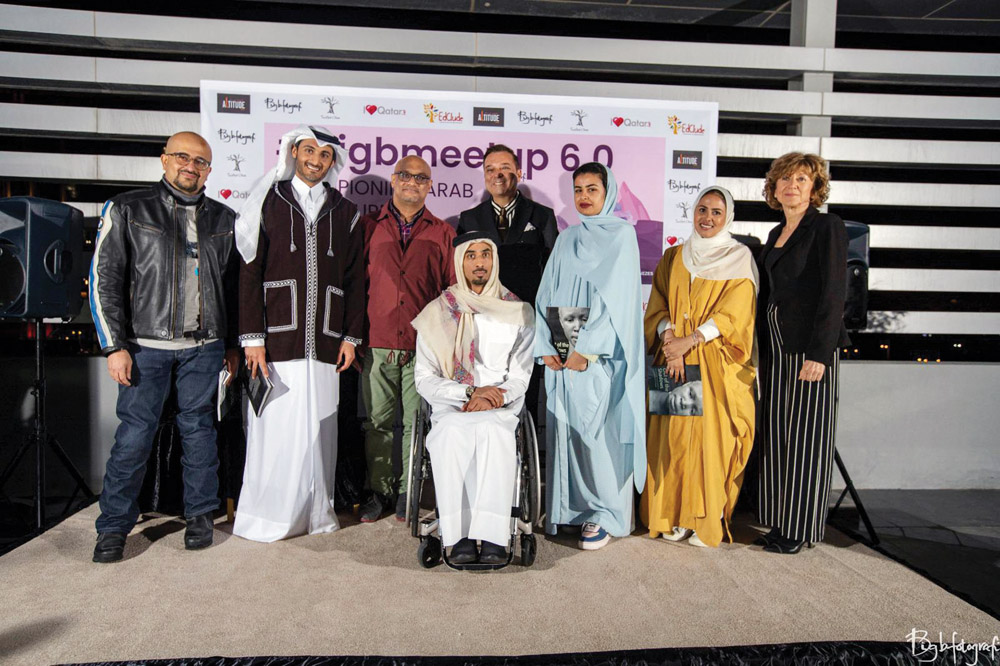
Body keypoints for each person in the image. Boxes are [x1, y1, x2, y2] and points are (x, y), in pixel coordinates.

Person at [89, 131, 240, 562]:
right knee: (134, 437)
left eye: (201, 161)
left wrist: (231, 344)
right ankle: (113, 527)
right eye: (182, 157)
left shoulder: (225, 218)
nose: (191, 166)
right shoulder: (128, 208)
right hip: (144, 347)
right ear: (164, 159)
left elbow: (234, 289)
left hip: (205, 348)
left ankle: (200, 516)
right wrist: (114, 346)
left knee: (200, 433)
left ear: (209, 170)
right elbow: (104, 279)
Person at [233, 125, 364, 542]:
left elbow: (355, 278)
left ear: (332, 162)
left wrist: (351, 337)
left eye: (325, 155)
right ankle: (269, 516)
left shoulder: (346, 211)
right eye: (309, 151)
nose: (316, 160)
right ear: (293, 152)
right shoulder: (267, 200)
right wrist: (252, 338)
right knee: (276, 430)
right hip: (276, 339)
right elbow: (249, 271)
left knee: (320, 431)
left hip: (327, 340)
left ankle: (315, 514)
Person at [534, 162, 645, 550]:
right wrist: (545, 344)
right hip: (562, 346)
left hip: (597, 354)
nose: (583, 196)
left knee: (598, 433)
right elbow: (545, 292)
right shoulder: (568, 237)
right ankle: (571, 509)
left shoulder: (621, 236)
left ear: (607, 192)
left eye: (592, 189)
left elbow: (618, 300)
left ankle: (604, 514)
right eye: (578, 189)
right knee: (566, 432)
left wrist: (588, 349)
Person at [640, 186, 758, 549]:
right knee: (672, 441)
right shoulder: (675, 256)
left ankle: (703, 519)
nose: (707, 218)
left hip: (713, 363)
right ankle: (673, 516)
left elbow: (735, 314)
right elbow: (658, 302)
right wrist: (671, 341)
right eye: (702, 209)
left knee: (710, 443)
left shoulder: (739, 258)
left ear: (728, 217)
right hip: (673, 360)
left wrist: (690, 341)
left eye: (716, 212)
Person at [412, 232, 534, 564]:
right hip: (453, 404)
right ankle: (460, 535)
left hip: (499, 405)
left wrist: (494, 397)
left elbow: (521, 375)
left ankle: (494, 537)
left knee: (494, 433)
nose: (480, 263)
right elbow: (424, 378)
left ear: (494, 260)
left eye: (485, 254)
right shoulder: (437, 312)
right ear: (459, 262)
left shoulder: (518, 311)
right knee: (452, 434)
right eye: (471, 255)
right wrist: (467, 392)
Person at [756, 152, 849, 554]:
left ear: (815, 188)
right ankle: (779, 520)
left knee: (807, 441)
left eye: (801, 179)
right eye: (785, 179)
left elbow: (834, 292)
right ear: (774, 188)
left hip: (809, 349)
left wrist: (820, 353)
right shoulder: (776, 232)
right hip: (776, 349)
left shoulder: (827, 226)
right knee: (778, 436)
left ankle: (799, 529)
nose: (791, 185)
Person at [360, 155, 456, 523]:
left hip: (423, 345)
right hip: (378, 339)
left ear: (429, 186)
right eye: (405, 175)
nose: (412, 182)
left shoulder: (443, 233)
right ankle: (379, 490)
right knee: (377, 422)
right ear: (393, 179)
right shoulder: (368, 227)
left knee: (417, 422)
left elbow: (451, 293)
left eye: (420, 177)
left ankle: (408, 490)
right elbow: (356, 285)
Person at [458, 144, 558, 423]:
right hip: (483, 326)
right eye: (490, 169)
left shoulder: (542, 216)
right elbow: (462, 274)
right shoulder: (469, 219)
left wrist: (552, 332)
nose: (497, 174)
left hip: (527, 323)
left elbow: (554, 276)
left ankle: (523, 448)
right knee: (483, 398)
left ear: (519, 172)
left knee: (524, 399)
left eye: (504, 168)